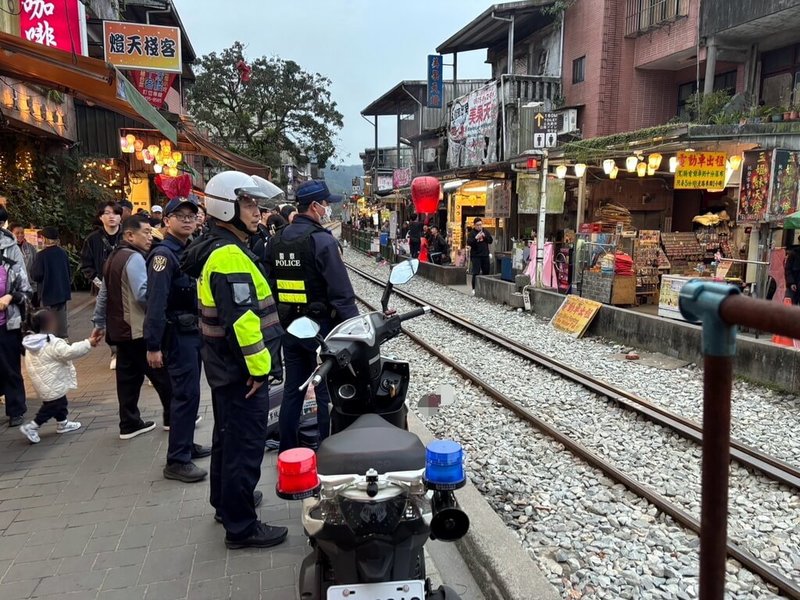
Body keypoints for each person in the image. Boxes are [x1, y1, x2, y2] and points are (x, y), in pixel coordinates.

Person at [180, 171, 287, 549]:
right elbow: (243, 322)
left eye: (256, 204)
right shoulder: (229, 255)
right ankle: (242, 527)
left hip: (224, 371)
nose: (257, 212)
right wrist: (260, 371)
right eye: (248, 203)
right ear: (226, 206)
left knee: (226, 440)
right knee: (244, 447)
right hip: (243, 376)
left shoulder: (219, 247)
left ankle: (226, 504)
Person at [266, 179, 358, 454]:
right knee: (324, 394)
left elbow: (269, 284)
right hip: (320, 331)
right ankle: (323, 452)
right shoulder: (321, 241)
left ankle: (288, 452)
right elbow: (341, 294)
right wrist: (355, 329)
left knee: (293, 390)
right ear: (315, 206)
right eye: (326, 204)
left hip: (290, 329)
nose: (327, 209)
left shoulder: (276, 240)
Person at [144, 198, 211, 483]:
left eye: (191, 216)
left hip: (191, 331)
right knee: (184, 395)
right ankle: (177, 460)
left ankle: (185, 445)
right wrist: (153, 344)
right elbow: (155, 303)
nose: (187, 220)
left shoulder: (187, 251)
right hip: (176, 334)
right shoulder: (163, 256)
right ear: (166, 220)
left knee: (191, 393)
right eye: (180, 215)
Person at [91, 215, 173, 440]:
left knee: (128, 378)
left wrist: (99, 323)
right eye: (145, 232)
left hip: (118, 330)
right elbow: (143, 294)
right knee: (160, 372)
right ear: (129, 235)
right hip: (137, 328)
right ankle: (173, 416)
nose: (150, 236)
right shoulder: (134, 258)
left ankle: (129, 422)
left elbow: (104, 295)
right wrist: (161, 308)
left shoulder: (113, 257)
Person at [19, 309, 101, 444]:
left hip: (43, 382)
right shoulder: (51, 343)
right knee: (53, 405)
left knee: (60, 402)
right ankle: (32, 427)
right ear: (48, 325)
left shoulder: (31, 342)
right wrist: (88, 343)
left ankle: (63, 423)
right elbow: (70, 352)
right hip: (52, 380)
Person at [0, 206, 33, 427]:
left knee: (10, 367)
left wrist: (10, 297)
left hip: (6, 321)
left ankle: (16, 409)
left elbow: (25, 287)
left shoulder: (10, 248)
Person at [80, 201, 122, 369]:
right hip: (103, 286)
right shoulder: (92, 239)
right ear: (100, 217)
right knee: (108, 319)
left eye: (115, 213)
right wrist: (100, 283)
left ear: (120, 216)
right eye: (107, 213)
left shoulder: (128, 235)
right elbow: (86, 265)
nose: (111, 216)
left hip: (126, 285)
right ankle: (115, 352)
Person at [30, 227, 72, 339]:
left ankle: (50, 340)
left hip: (47, 292)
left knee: (47, 319)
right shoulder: (63, 253)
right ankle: (63, 338)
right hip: (62, 291)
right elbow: (68, 272)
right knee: (61, 317)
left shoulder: (41, 255)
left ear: (45, 239)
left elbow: (36, 275)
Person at [467, 218, 493, 293]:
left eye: (480, 225)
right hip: (476, 255)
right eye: (477, 225)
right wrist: (476, 238)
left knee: (486, 272)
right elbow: (469, 242)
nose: (479, 226)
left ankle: (486, 289)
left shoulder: (485, 231)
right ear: (474, 225)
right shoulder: (472, 233)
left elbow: (490, 240)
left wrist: (484, 237)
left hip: (485, 255)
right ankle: (474, 288)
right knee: (475, 272)